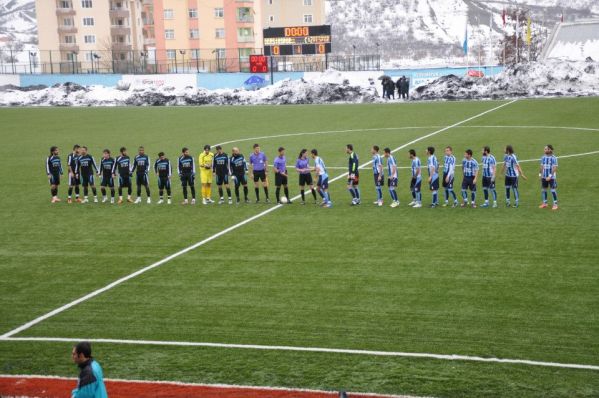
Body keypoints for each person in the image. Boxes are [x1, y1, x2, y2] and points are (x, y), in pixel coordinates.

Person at [539, 144, 558, 210]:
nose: (544, 150)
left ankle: (555, 204)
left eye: (546, 149)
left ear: (550, 150)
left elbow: (554, 168)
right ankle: (545, 203)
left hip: (552, 177)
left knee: (553, 190)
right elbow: (541, 166)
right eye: (544, 149)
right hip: (544, 177)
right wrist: (540, 175)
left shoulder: (554, 158)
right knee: (543, 190)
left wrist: (550, 176)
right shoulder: (543, 157)